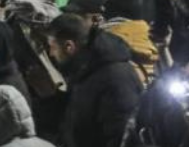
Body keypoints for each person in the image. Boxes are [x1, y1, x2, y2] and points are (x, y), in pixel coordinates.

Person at [45, 13, 141, 147]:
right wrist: (49, 96)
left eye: (52, 47)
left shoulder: (115, 79)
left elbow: (121, 136)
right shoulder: (84, 68)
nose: (51, 53)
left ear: (69, 46)